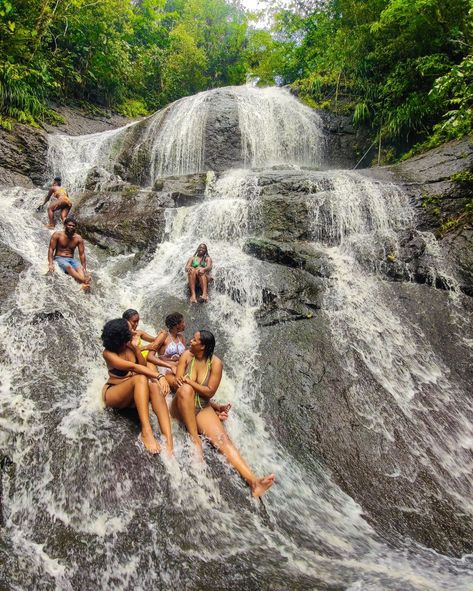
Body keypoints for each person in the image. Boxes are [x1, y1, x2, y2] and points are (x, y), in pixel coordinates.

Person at [171, 330, 275, 497]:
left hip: (201, 408)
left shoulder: (216, 364)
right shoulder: (185, 356)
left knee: (223, 440)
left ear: (203, 346)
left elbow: (209, 391)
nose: (191, 341)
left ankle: (254, 482)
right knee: (185, 388)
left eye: (195, 340)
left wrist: (190, 382)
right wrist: (182, 382)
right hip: (180, 406)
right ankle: (195, 439)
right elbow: (178, 383)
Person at [101, 318, 173, 454]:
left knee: (154, 387)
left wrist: (135, 347)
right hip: (114, 394)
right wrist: (159, 376)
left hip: (134, 395)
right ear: (122, 335)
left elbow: (142, 365)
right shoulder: (108, 353)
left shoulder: (129, 346)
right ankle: (146, 431)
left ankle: (169, 441)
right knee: (140, 378)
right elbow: (134, 367)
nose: (134, 331)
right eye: (130, 330)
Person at [146, 313, 231, 421]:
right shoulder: (163, 335)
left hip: (179, 368)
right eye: (183, 322)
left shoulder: (181, 338)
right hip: (165, 368)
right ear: (177, 324)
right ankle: (215, 409)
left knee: (193, 383)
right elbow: (150, 357)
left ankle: (214, 408)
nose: (185, 324)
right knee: (183, 385)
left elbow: (185, 356)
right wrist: (170, 366)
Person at [48, 216, 91, 289]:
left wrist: (84, 268)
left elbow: (82, 254)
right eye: (69, 225)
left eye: (73, 226)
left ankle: (83, 282)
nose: (71, 227)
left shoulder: (78, 238)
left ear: (75, 227)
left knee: (80, 268)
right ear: (65, 225)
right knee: (68, 267)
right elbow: (51, 249)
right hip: (59, 258)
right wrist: (50, 263)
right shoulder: (57, 235)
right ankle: (84, 281)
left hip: (71, 259)